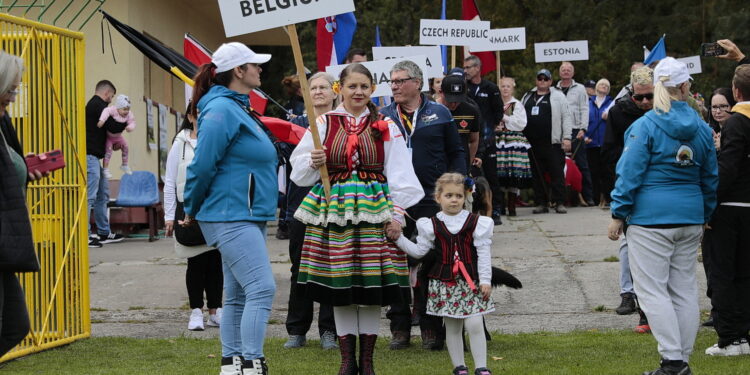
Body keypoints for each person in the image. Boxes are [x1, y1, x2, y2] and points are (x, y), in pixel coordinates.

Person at [290, 63, 424, 375]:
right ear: (341, 89)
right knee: (342, 289)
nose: (359, 92)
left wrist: (397, 216)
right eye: (352, 86)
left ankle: (368, 361)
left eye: (364, 86)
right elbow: (299, 172)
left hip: (374, 214)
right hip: (335, 215)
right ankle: (347, 361)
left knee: (371, 289)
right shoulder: (322, 123)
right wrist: (314, 159)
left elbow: (403, 176)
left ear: (372, 90)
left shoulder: (385, 126)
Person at [608, 57, 718, 375]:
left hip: (650, 218)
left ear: (657, 87)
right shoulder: (701, 126)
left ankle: (673, 361)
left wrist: (618, 212)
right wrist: (706, 211)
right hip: (690, 215)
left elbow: (629, 173)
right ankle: (680, 360)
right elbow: (710, 176)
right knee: (683, 288)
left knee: (652, 290)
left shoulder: (644, 126)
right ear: (685, 87)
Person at [183, 42, 277, 375]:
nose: (260, 69)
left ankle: (232, 364)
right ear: (239, 71)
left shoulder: (235, 106)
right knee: (262, 288)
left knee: (236, 294)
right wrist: (190, 206)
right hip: (229, 214)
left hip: (244, 213)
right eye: (255, 64)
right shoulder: (222, 108)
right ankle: (253, 365)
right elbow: (202, 163)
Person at [380, 60, 466, 351]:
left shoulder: (439, 113)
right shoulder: (383, 116)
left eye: (400, 81)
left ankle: (431, 327)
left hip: (432, 199)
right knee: (396, 264)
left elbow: (456, 151)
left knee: (432, 263)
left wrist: (458, 185)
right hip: (397, 201)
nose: (394, 86)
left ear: (417, 83)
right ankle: (400, 327)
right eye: (391, 82)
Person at [390, 173, 495, 375]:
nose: (454, 200)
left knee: (474, 324)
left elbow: (483, 253)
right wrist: (398, 239)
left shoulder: (476, 223)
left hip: (470, 282)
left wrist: (486, 280)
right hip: (445, 283)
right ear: (438, 198)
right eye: (449, 195)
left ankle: (481, 367)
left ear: (465, 197)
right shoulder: (430, 224)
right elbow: (419, 251)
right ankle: (459, 367)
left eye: (458, 196)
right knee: (453, 326)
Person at [283, 72, 338, 351]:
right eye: (312, 87)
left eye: (323, 87)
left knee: (331, 266)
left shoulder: (342, 123)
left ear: (334, 91)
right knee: (300, 266)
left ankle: (329, 330)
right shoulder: (298, 124)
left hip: (335, 203)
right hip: (302, 203)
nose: (317, 92)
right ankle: (296, 329)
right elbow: (289, 162)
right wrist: (310, 159)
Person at [702, 64, 750, 356]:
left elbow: (728, 169)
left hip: (729, 207)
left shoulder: (735, 123)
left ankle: (731, 338)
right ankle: (741, 335)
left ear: (735, 92)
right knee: (744, 274)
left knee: (721, 273)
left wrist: (707, 202)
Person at [0, 50, 45, 358]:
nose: (13, 98)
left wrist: (24, 170)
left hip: (3, 246)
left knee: (16, 324)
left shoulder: (2, 123)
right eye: (9, 91)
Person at [603, 66, 655, 328]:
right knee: (627, 244)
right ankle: (628, 293)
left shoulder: (662, 113)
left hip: (656, 186)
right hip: (629, 183)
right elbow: (610, 151)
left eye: (650, 96)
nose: (645, 102)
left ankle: (651, 306)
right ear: (631, 93)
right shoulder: (618, 112)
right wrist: (617, 190)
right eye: (640, 97)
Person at [163, 103, 223, 332]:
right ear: (190, 116)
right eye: (199, 113)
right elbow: (169, 181)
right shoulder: (180, 144)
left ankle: (215, 311)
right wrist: (169, 216)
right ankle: (196, 310)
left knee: (216, 262)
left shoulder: (216, 141)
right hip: (187, 208)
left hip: (215, 208)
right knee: (195, 261)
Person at [520, 69, 572, 214]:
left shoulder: (558, 96)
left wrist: (567, 137)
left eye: (545, 79)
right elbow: (520, 115)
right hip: (532, 142)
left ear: (550, 81)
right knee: (537, 174)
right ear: (536, 80)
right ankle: (541, 202)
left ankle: (559, 202)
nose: (542, 81)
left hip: (552, 141)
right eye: (540, 78)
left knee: (556, 172)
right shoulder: (528, 95)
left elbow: (566, 117)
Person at [463, 55, 504, 224]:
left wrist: (489, 129)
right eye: (464, 68)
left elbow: (498, 112)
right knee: (474, 177)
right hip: (471, 141)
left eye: (468, 67)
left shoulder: (491, 87)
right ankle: (474, 210)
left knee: (492, 176)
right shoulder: (463, 88)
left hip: (488, 140)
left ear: (477, 68)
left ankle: (495, 210)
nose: (465, 71)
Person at [85, 80, 124, 248]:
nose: (111, 100)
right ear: (107, 93)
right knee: (90, 197)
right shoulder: (98, 105)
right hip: (90, 157)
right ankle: (84, 235)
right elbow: (113, 126)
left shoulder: (95, 106)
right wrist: (125, 117)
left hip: (95, 158)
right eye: (112, 96)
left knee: (102, 195)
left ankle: (103, 232)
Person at [555, 61, 593, 206]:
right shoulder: (554, 89)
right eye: (563, 69)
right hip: (559, 130)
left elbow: (584, 108)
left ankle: (588, 196)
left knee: (582, 164)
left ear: (573, 72)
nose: (566, 71)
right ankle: (559, 198)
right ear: (559, 73)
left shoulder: (580, 88)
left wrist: (583, 128)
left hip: (576, 129)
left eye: (568, 69)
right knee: (559, 164)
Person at [495, 77, 530, 217]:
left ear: (512, 88)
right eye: (503, 86)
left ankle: (512, 205)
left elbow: (521, 124)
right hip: (499, 140)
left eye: (508, 86)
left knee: (513, 172)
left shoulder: (517, 105)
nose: (505, 89)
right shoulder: (496, 104)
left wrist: (505, 118)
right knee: (500, 171)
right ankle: (501, 204)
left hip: (513, 141)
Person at [436, 72, 480, 171]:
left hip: (459, 167)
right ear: (440, 92)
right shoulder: (430, 110)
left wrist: (468, 163)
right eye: (450, 100)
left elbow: (474, 140)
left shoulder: (471, 111)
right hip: (436, 166)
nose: (454, 104)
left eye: (458, 100)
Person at [586, 79, 612, 207]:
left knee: (606, 172)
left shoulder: (612, 103)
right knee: (593, 172)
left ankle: (608, 198)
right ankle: (594, 198)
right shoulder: (588, 102)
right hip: (590, 142)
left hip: (606, 142)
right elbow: (583, 121)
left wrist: (609, 117)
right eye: (602, 84)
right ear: (596, 87)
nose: (604, 86)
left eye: (607, 85)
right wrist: (584, 136)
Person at [97, 94, 135, 179]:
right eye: (124, 109)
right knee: (108, 152)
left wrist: (130, 127)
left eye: (128, 109)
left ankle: (124, 164)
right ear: (118, 108)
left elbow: (132, 122)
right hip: (110, 138)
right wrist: (102, 120)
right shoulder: (113, 110)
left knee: (126, 146)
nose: (126, 111)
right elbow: (106, 111)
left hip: (118, 137)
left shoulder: (129, 115)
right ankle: (105, 169)